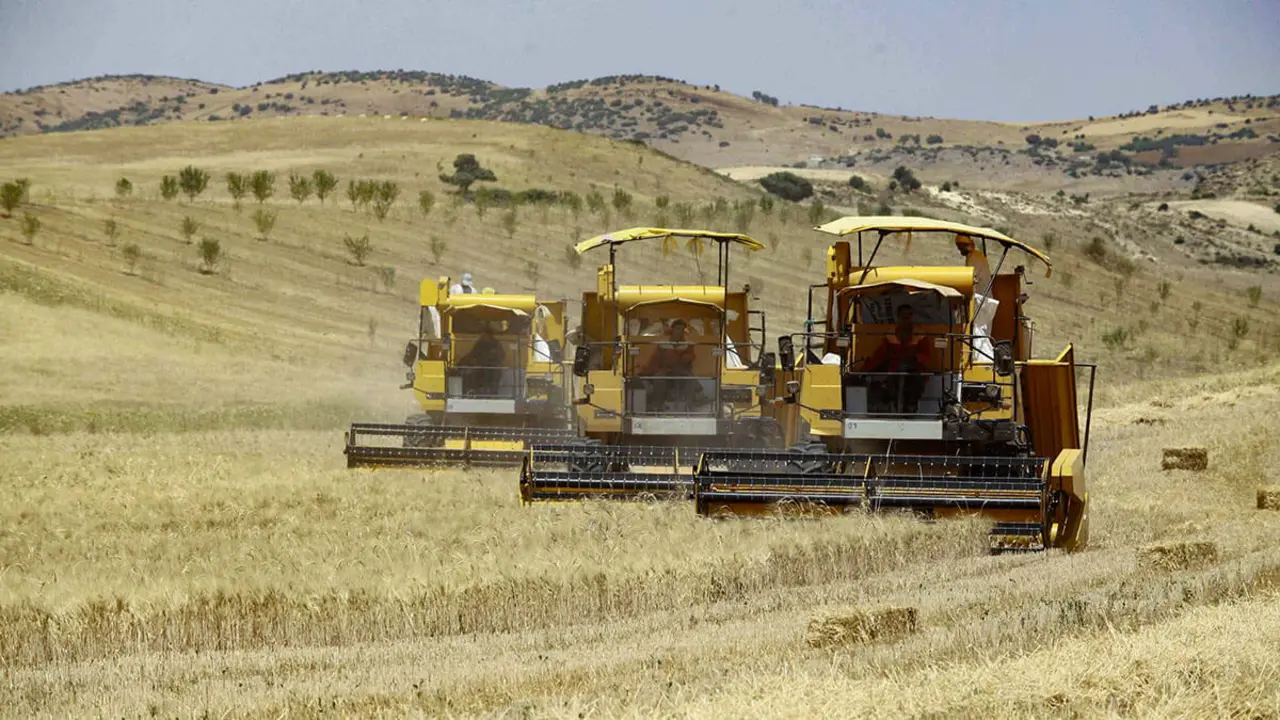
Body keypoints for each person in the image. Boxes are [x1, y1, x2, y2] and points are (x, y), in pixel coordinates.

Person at [863, 305, 931, 413]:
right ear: (898, 317)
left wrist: (914, 358)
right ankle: (893, 405)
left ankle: (911, 406)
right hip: (894, 369)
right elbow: (880, 355)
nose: (906, 318)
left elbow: (926, 354)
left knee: (916, 383)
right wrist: (866, 369)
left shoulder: (920, 334)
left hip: (915, 369)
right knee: (889, 384)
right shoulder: (890, 334)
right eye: (904, 316)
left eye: (909, 315)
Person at [641, 319, 698, 412]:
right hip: (665, 369)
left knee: (690, 379)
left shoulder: (688, 344)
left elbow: (690, 357)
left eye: (682, 329)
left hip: (681, 369)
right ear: (672, 329)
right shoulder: (662, 344)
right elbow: (655, 359)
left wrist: (687, 358)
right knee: (658, 378)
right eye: (677, 328)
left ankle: (689, 406)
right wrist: (653, 370)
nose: (679, 331)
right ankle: (658, 404)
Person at [460, 321, 506, 396]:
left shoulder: (496, 344)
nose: (482, 336)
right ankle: (476, 392)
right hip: (481, 367)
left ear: (488, 335)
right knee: (471, 373)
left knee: (492, 375)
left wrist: (492, 361)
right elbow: (473, 353)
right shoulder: (480, 343)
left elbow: (502, 355)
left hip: (493, 368)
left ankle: (492, 393)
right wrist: (464, 360)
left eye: (484, 335)